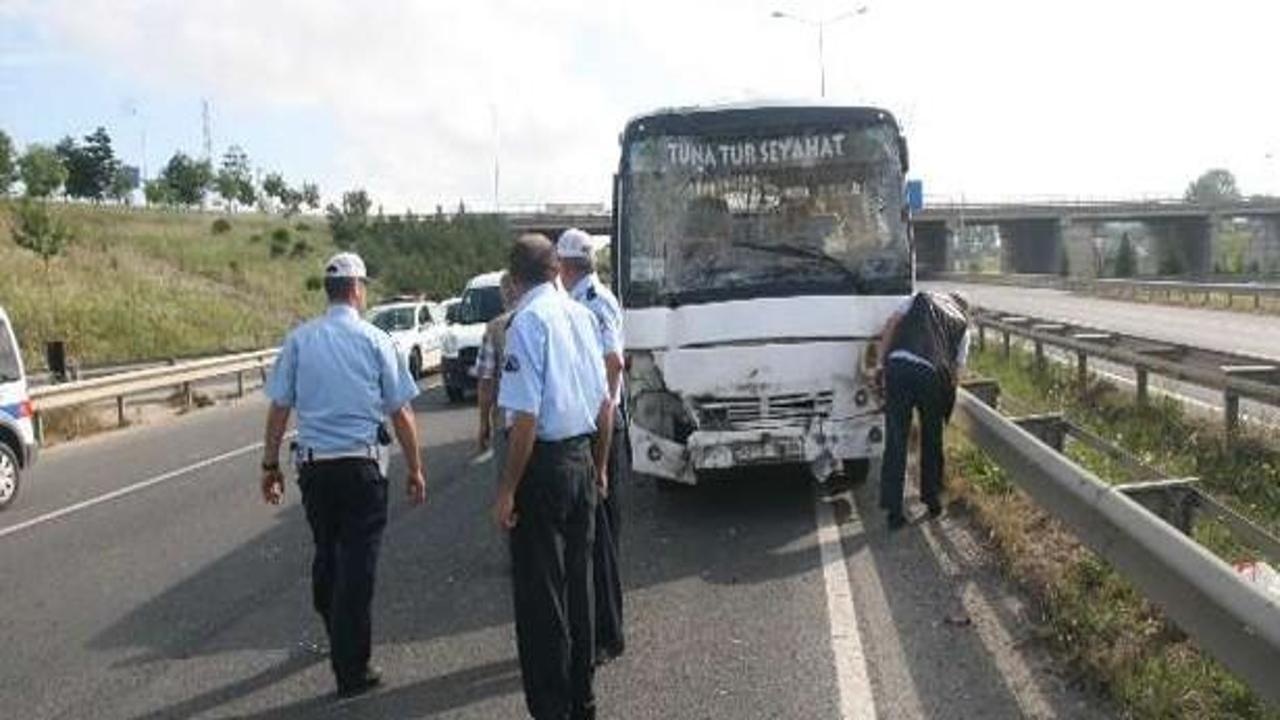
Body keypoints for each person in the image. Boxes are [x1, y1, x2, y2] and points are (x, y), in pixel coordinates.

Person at [260, 252, 426, 698]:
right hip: (362, 467)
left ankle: (332, 615)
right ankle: (351, 670)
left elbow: (279, 409)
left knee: (327, 550)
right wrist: (415, 468)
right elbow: (402, 411)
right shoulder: (376, 340)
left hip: (314, 468)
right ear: (357, 289)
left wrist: (269, 465)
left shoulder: (299, 341)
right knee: (358, 565)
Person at [494, 234, 613, 720]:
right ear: (555, 270)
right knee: (579, 589)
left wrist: (505, 491)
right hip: (582, 459)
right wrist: (601, 466)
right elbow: (605, 403)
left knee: (541, 596)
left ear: (515, 277)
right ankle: (582, 700)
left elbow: (523, 419)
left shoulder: (528, 321)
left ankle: (552, 707)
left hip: (542, 466)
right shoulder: (583, 316)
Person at [556, 227, 627, 663]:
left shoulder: (592, 303)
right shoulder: (589, 298)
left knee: (598, 537)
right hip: (603, 423)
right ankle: (606, 629)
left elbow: (613, 363)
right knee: (598, 535)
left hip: (602, 427)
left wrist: (602, 410)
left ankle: (605, 634)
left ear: (564, 266)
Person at [875, 291, 970, 531]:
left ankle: (894, 512)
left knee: (896, 440)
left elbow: (891, 323)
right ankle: (932, 500)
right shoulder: (962, 324)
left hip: (898, 364)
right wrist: (945, 403)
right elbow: (956, 373)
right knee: (932, 438)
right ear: (963, 308)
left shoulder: (920, 298)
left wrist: (880, 364)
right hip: (931, 374)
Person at [476, 271, 518, 457]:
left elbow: (487, 382)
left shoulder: (494, 328)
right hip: (549, 423)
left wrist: (484, 423)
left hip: (508, 421)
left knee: (509, 481)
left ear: (503, 294)